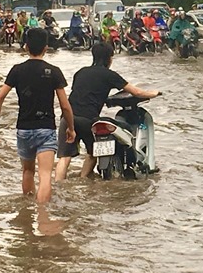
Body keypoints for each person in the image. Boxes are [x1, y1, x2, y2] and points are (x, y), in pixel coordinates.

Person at [0, 28, 75, 203]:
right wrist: (71, 128)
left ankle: (27, 213)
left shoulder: (17, 70)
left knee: (27, 172)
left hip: (24, 129)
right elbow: (65, 106)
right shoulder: (54, 71)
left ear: (26, 47)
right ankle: (42, 216)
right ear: (46, 47)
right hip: (46, 128)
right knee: (45, 176)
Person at [55, 43, 161, 180]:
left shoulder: (80, 72)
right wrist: (154, 93)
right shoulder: (110, 75)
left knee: (65, 158)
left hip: (68, 118)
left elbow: (84, 93)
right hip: (88, 119)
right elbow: (137, 92)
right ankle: (83, 180)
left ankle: (58, 186)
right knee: (93, 153)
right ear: (109, 59)